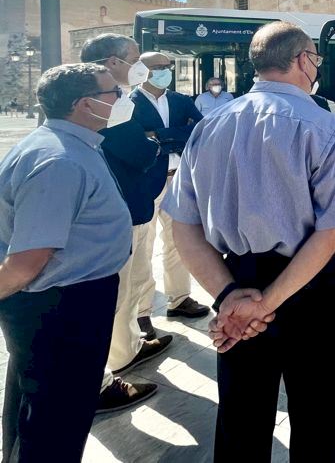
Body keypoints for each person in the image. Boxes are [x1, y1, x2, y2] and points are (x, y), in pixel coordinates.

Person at [163, 21, 335, 461]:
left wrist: (230, 297)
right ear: (302, 60)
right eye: (315, 58)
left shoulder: (209, 126)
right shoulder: (321, 125)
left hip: (236, 281)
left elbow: (184, 227)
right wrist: (267, 302)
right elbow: (332, 230)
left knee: (241, 417)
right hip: (310, 283)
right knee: (315, 413)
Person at [0, 63, 132, 461]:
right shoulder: (59, 161)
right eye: (113, 93)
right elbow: (26, 262)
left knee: (39, 410)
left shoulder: (69, 144)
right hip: (62, 310)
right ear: (84, 104)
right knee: (56, 420)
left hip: (66, 303)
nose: (121, 99)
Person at [81, 33, 167, 412]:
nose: (140, 66)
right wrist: (152, 143)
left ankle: (126, 349)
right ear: (112, 62)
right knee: (113, 295)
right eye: (135, 58)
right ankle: (102, 380)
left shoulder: (115, 99)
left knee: (128, 287)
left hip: (129, 205)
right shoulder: (102, 103)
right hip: (118, 212)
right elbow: (141, 150)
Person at [131, 52, 210, 342]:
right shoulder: (129, 103)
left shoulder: (180, 100)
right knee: (143, 248)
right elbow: (136, 140)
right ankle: (141, 313)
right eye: (158, 67)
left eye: (168, 67)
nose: (165, 71)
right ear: (142, 70)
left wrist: (160, 135)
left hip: (179, 179)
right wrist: (176, 136)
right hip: (146, 183)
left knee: (178, 242)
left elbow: (200, 129)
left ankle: (180, 299)